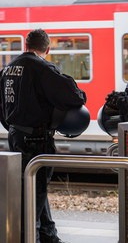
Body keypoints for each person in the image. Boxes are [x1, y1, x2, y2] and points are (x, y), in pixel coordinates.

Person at [0, 29, 87, 243]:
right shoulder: (41, 68)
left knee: (33, 187)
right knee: (33, 194)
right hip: (36, 140)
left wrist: (13, 127)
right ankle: (29, 237)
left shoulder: (8, 68)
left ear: (26, 45)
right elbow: (74, 97)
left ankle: (48, 235)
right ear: (47, 49)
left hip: (16, 136)